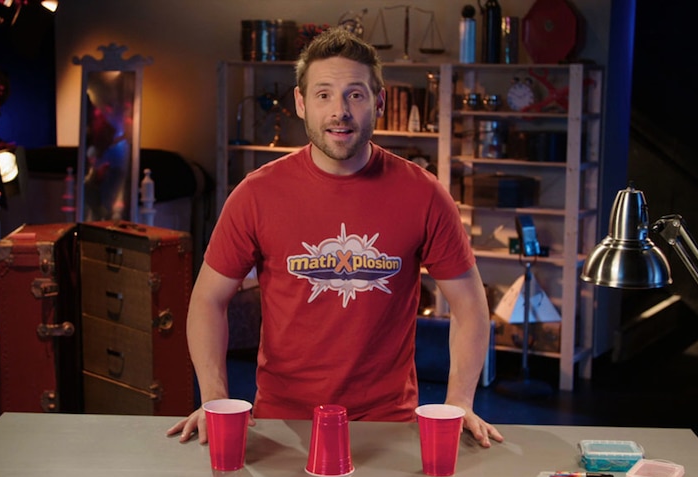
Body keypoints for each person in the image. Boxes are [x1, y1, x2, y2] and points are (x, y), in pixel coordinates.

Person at [167, 27, 504, 448]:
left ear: (378, 101)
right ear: (301, 103)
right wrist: (215, 400)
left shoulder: (425, 194)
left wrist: (459, 404)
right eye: (324, 94)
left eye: (355, 94)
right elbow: (207, 299)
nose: (339, 111)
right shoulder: (255, 194)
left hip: (388, 424)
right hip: (283, 424)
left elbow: (470, 306)